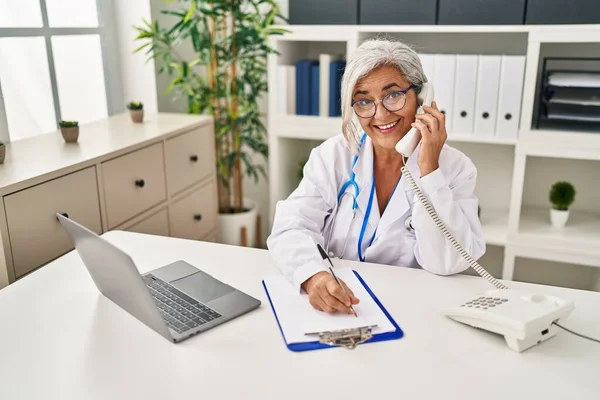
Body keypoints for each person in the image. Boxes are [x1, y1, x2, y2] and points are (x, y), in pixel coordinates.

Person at [266, 38, 485, 315]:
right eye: (364, 101)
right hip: (345, 309)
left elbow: (448, 261)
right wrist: (313, 276)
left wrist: (430, 171)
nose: (379, 114)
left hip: (415, 311)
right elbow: (289, 228)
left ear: (421, 96)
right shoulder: (334, 156)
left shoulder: (456, 169)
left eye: (393, 95)